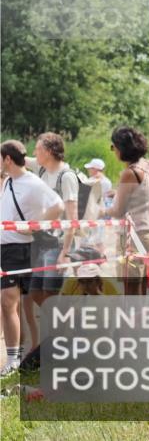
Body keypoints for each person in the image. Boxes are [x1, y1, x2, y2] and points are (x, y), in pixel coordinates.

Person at [1, 141, 64, 377]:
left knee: (12, 301)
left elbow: (57, 205)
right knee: (15, 303)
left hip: (22, 248)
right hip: (7, 248)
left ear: (7, 159)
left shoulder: (31, 182)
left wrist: (35, 225)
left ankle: (16, 359)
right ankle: (16, 358)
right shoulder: (8, 181)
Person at [24, 133, 79, 309]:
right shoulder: (41, 168)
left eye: (37, 149)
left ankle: (64, 322)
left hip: (58, 244)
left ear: (48, 152)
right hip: (42, 241)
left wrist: (65, 253)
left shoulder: (66, 177)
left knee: (50, 293)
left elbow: (72, 219)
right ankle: (60, 320)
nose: (34, 153)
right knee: (35, 292)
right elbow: (16, 157)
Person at [106, 127, 149, 295]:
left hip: (135, 236)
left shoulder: (129, 173)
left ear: (121, 148)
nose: (113, 150)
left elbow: (118, 211)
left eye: (113, 146)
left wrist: (100, 209)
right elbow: (143, 193)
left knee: (131, 291)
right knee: (142, 289)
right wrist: (118, 193)